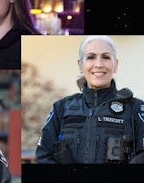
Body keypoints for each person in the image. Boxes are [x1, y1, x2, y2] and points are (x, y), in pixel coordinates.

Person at [36, 35, 144, 164]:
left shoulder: (135, 109)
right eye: (91, 57)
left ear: (115, 65)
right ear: (81, 65)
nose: (98, 64)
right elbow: (44, 156)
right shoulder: (60, 108)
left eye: (106, 57)